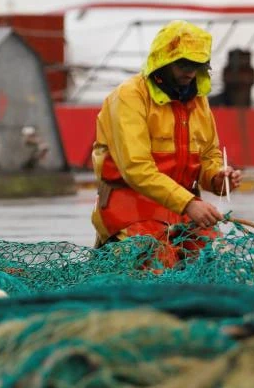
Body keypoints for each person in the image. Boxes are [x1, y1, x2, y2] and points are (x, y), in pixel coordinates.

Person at [90, 20, 241, 267]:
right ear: (163, 61)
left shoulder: (198, 100)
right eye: (184, 64)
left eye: (197, 65)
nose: (190, 72)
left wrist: (218, 177)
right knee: (158, 262)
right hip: (131, 212)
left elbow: (208, 156)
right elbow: (136, 169)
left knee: (217, 261)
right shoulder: (130, 96)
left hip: (182, 214)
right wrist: (189, 203)